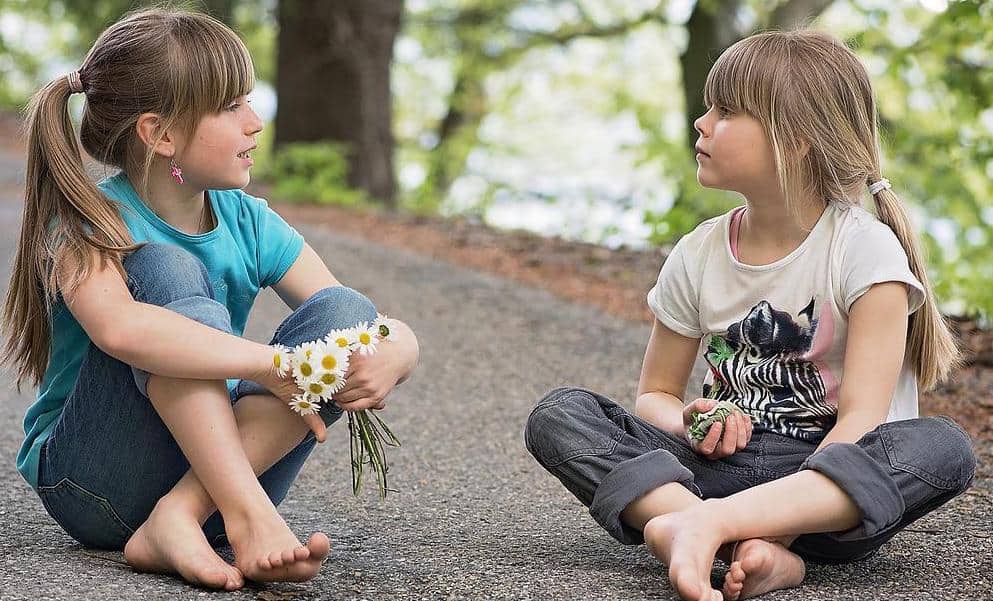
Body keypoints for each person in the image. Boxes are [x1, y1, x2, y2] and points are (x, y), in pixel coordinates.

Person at [524, 30, 976, 601]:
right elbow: (655, 395)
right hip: (710, 472)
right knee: (561, 415)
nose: (702, 123)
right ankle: (732, 541)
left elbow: (861, 419)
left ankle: (699, 529)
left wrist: (766, 514)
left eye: (728, 111)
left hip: (825, 490)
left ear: (798, 140)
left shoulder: (865, 251)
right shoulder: (699, 251)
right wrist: (693, 418)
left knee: (943, 448)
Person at [1, 8, 419, 590]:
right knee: (164, 266)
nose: (255, 123)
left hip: (222, 482)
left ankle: (183, 515)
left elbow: (354, 318)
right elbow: (121, 332)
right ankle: (242, 516)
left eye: (250, 101)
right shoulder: (89, 224)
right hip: (97, 483)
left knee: (345, 312)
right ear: (161, 133)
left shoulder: (248, 221)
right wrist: (272, 365)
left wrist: (399, 348)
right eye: (231, 107)